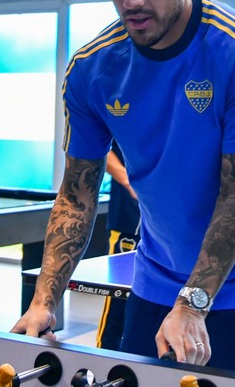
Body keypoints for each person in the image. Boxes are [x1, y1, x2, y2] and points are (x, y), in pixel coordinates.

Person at [12, 0, 235, 379]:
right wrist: (44, 301)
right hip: (155, 281)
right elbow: (77, 193)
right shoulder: (91, 68)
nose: (131, 0)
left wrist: (192, 304)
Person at [96, 144, 139, 351]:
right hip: (128, 221)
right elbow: (100, 145)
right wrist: (128, 181)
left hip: (167, 226)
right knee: (117, 303)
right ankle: (103, 360)